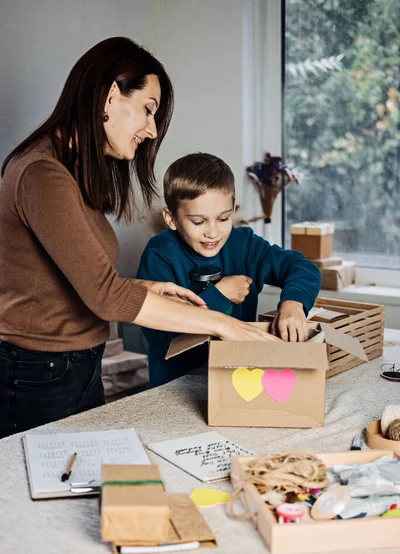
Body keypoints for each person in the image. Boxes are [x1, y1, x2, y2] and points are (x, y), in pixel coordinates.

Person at [0, 38, 275, 439]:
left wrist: (142, 287)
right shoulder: (42, 175)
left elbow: (66, 282)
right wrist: (223, 324)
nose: (151, 130)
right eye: (148, 109)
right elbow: (104, 295)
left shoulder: (66, 171)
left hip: (73, 365)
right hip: (38, 372)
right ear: (110, 96)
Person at [137, 152, 322, 388]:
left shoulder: (244, 244)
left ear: (233, 209)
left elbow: (302, 267)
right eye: (198, 221)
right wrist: (219, 295)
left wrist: (294, 303)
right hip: (176, 386)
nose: (212, 232)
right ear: (171, 218)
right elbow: (160, 336)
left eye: (223, 218)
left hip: (237, 382)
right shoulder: (160, 255)